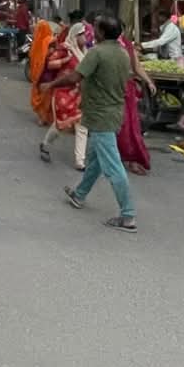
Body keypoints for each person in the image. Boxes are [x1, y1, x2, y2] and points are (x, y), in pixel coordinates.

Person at [52, 13, 138, 233]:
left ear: (100, 32)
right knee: (96, 159)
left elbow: (74, 77)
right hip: (113, 112)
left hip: (101, 116)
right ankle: (79, 195)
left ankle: (127, 215)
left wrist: (51, 84)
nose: (92, 32)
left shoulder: (97, 53)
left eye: (95, 28)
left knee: (113, 167)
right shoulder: (122, 53)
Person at [39, 11, 87, 169]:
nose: (84, 38)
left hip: (78, 93)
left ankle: (80, 160)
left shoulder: (84, 52)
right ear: (75, 35)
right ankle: (45, 144)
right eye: (82, 35)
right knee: (60, 125)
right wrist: (66, 59)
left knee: (82, 125)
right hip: (63, 92)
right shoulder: (65, 48)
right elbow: (50, 63)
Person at [117, 30, 152, 175]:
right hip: (113, 90)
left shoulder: (126, 45)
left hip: (126, 90)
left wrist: (148, 81)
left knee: (130, 126)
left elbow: (136, 66)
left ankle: (131, 158)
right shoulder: (105, 46)